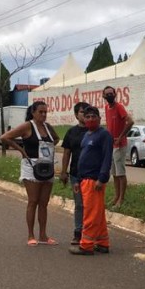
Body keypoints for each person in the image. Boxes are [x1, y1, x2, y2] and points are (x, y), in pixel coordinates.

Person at [2, 101, 60, 246]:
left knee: (44, 202)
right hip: (31, 166)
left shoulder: (47, 127)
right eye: (40, 112)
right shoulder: (27, 126)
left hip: (47, 166)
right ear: (33, 112)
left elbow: (56, 138)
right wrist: (21, 150)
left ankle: (43, 235)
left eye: (45, 112)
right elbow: (5, 137)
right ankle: (30, 235)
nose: (43, 115)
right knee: (33, 200)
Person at [69, 106, 113, 256]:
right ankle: (102, 242)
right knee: (98, 213)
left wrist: (101, 178)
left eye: (93, 116)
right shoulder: (87, 135)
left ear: (99, 119)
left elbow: (107, 158)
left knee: (91, 213)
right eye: (87, 117)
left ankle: (86, 245)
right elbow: (82, 158)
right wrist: (77, 180)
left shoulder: (104, 135)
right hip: (83, 179)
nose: (90, 119)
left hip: (94, 181)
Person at [60, 101, 90, 246]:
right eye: (82, 112)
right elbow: (66, 153)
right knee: (79, 204)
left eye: (88, 112)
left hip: (92, 175)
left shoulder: (95, 131)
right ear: (76, 115)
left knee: (91, 205)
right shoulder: (71, 132)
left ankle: (91, 233)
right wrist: (63, 172)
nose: (85, 115)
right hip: (75, 175)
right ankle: (78, 233)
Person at [103, 85, 133, 208]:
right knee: (114, 173)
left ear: (115, 94)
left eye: (111, 93)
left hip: (120, 145)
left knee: (121, 173)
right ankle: (116, 196)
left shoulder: (119, 107)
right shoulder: (106, 108)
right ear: (103, 96)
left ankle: (121, 199)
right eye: (107, 94)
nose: (110, 95)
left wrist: (121, 136)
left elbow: (130, 121)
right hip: (111, 145)